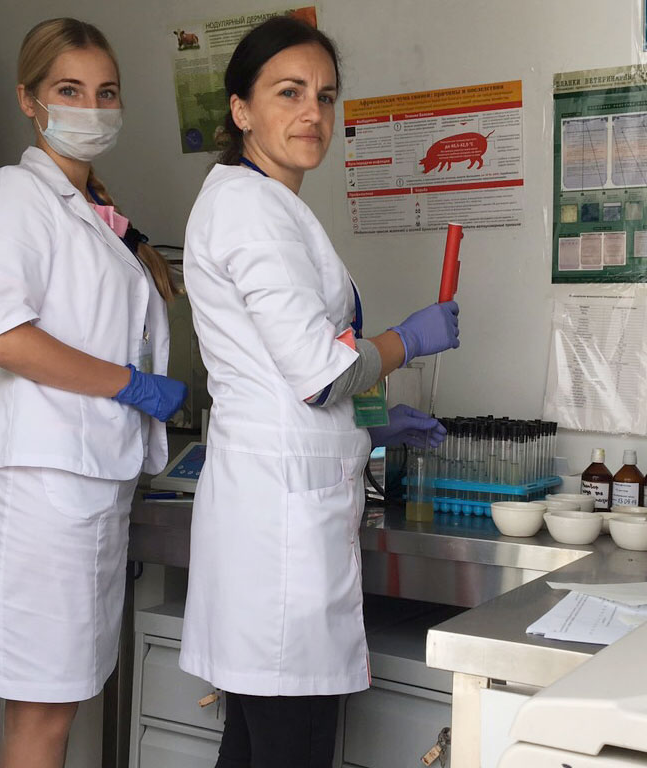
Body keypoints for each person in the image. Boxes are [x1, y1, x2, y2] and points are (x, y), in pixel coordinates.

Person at [179, 16, 461, 768]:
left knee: (256, 748)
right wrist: (407, 340)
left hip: (283, 507)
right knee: (287, 749)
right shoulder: (250, 208)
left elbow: (303, 363)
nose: (312, 113)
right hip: (277, 527)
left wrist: (371, 421)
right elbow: (322, 371)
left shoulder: (269, 204)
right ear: (241, 109)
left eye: (325, 97)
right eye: (289, 92)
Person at [0, 18, 186, 768]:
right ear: (30, 100)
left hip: (83, 481)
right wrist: (132, 386)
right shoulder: (15, 195)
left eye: (105, 92)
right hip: (37, 488)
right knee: (42, 716)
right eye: (70, 90)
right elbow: (5, 338)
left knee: (59, 706)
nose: (92, 107)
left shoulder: (99, 216)